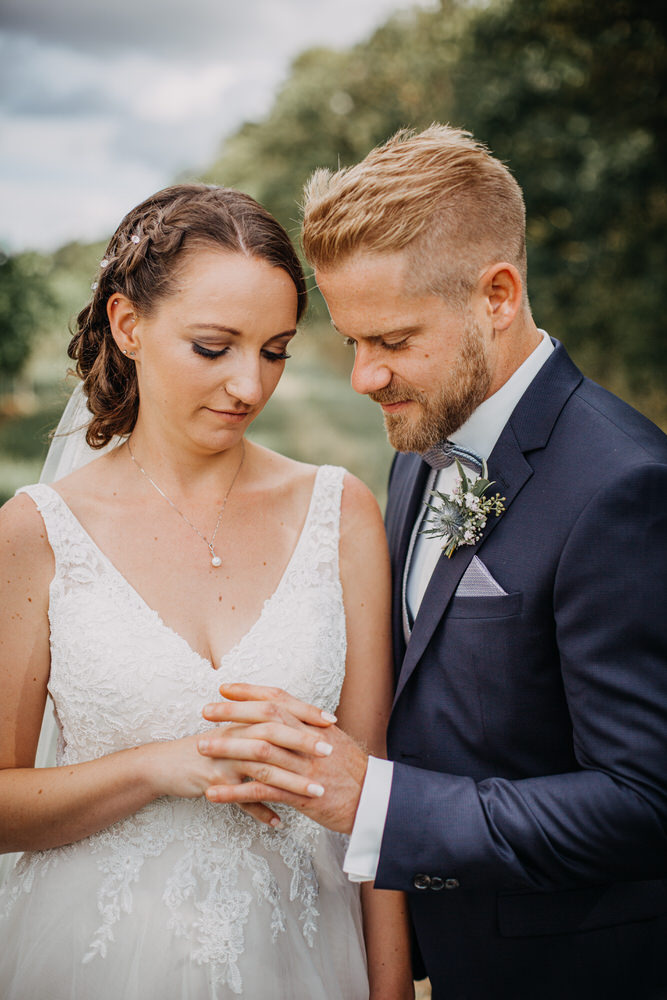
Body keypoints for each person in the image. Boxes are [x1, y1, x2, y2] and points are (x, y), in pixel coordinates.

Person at [196, 127, 667, 999]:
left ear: (496, 295)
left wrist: (374, 802)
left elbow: (645, 802)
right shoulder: (421, 441)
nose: (364, 377)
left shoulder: (624, 486)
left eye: (393, 339)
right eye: (349, 342)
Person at [0, 183, 414, 999]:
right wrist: (159, 767)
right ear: (129, 325)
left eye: (273, 350)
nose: (249, 388)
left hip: (302, 959)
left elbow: (378, 802)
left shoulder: (342, 514)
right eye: (213, 346)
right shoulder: (35, 532)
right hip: (94, 958)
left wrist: (391, 991)